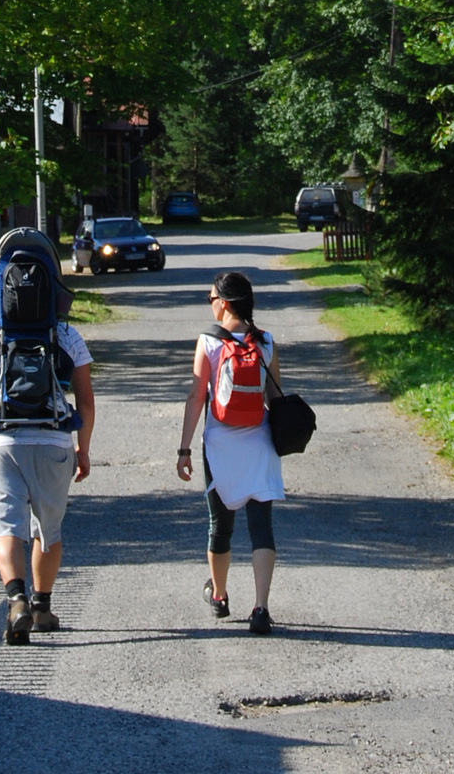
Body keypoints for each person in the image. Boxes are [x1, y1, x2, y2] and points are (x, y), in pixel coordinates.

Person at [0, 271, 94, 640]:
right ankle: (42, 608)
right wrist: (82, 448)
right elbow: (85, 401)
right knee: (46, 531)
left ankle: (16, 599)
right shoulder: (67, 336)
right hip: (53, 442)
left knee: (7, 528)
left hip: (3, 444)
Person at [176, 269, 284, 635]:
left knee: (220, 525)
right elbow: (275, 397)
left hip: (220, 444)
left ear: (224, 303)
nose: (210, 305)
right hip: (259, 442)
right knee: (261, 528)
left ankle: (219, 596)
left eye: (210, 299)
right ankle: (261, 608)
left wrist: (184, 448)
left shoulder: (208, 341)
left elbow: (195, 397)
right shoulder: (265, 341)